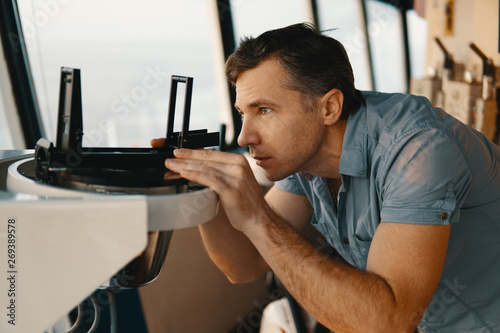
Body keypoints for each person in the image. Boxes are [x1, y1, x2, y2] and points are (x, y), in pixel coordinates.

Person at [153, 23, 500, 332]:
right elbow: (246, 264)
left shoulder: (417, 149)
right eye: (244, 113)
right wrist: (201, 192)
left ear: (329, 108)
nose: (245, 137)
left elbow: (389, 323)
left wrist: (258, 217)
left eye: (265, 110)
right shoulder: (304, 157)